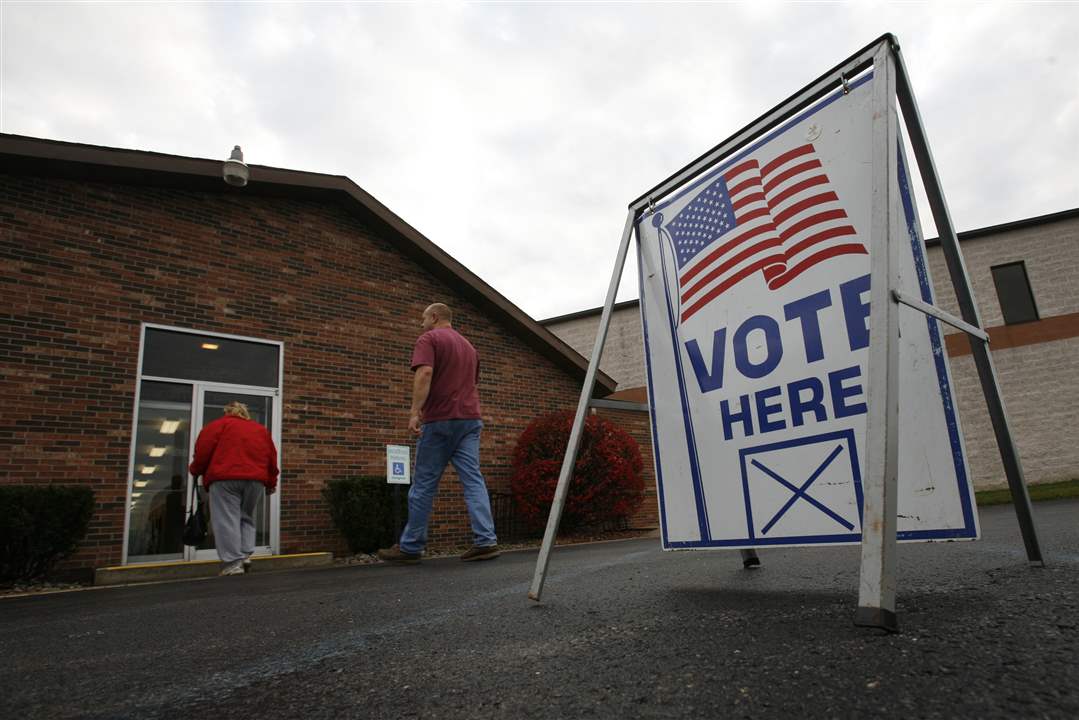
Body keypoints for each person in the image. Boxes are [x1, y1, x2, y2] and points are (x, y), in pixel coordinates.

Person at [378, 303, 500, 564]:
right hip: (469, 420)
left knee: (423, 484)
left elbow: (425, 372)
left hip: (440, 421)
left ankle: (410, 547)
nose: (421, 323)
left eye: (423, 318)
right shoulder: (470, 348)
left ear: (434, 317)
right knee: (473, 480)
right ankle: (486, 540)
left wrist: (414, 411)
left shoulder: (429, 338)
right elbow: (470, 383)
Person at [189, 401, 279, 576]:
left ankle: (232, 563)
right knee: (246, 516)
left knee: (226, 519)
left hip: (224, 478)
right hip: (254, 480)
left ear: (227, 412)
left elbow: (203, 452)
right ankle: (245, 555)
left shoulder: (217, 426)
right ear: (245, 414)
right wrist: (271, 483)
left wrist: (195, 470)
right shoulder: (260, 430)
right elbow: (271, 458)